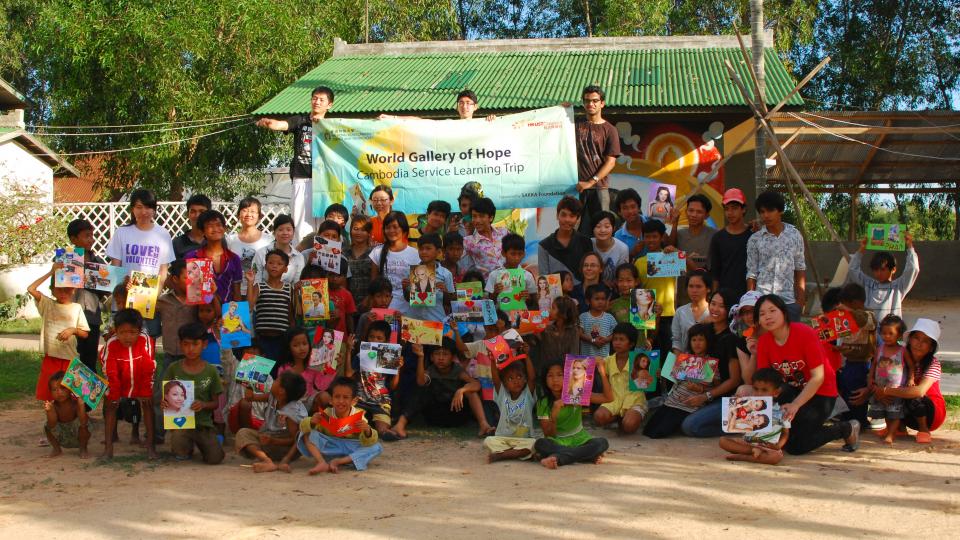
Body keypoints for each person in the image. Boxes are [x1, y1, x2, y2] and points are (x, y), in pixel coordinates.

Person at [751, 294, 859, 454]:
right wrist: (749, 401)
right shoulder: (765, 342)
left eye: (772, 311)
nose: (768, 316)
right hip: (790, 391)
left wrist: (795, 405)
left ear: (784, 313)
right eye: (762, 314)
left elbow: (818, 377)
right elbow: (764, 383)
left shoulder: (805, 333)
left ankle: (845, 428)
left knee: (796, 446)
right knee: (783, 437)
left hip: (821, 392)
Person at [256, 85, 334, 244]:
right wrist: (271, 123)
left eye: (321, 100)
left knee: (325, 224)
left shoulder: (334, 125)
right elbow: (282, 125)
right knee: (301, 222)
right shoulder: (300, 120)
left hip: (326, 181)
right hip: (302, 178)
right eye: (314, 98)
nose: (317, 102)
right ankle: (301, 260)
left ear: (329, 105)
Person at [393, 340, 494, 437]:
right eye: (437, 354)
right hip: (435, 415)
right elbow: (420, 382)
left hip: (456, 414)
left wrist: (462, 390)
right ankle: (400, 425)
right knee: (421, 389)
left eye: (445, 354)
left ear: (452, 357)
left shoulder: (458, 371)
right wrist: (420, 357)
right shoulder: (431, 370)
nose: (441, 358)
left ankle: (484, 425)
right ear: (432, 357)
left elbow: (476, 384)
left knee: (471, 392)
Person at [679, 289, 745, 437]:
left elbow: (734, 380)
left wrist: (706, 396)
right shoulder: (705, 331)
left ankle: (739, 424)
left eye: (721, 306)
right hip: (702, 389)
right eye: (713, 304)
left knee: (689, 426)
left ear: (729, 310)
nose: (715, 309)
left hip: (724, 396)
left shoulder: (730, 338)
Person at [872, 318, 946, 444]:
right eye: (916, 338)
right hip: (908, 412)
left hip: (932, 413)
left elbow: (919, 391)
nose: (919, 343)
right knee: (895, 388)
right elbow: (880, 373)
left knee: (912, 393)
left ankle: (924, 430)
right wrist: (875, 390)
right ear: (910, 339)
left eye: (925, 341)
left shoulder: (933, 364)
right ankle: (898, 428)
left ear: (931, 347)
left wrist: (885, 391)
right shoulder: (899, 355)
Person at [162, 322, 226, 464]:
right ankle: (186, 446)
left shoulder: (211, 371)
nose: (190, 349)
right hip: (181, 424)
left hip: (203, 424)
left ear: (204, 344)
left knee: (215, 459)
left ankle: (212, 441)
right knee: (181, 452)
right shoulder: (174, 369)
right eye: (186, 344)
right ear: (180, 344)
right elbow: (165, 396)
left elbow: (216, 403)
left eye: (195, 344)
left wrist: (203, 405)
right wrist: (165, 403)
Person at [27, 263, 91, 403]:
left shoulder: (76, 308)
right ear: (52, 290)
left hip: (70, 358)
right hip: (52, 357)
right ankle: (53, 422)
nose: (63, 293)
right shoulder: (47, 305)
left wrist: (73, 330)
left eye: (67, 289)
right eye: (59, 289)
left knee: (76, 396)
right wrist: (51, 272)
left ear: (73, 289)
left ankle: (80, 423)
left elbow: (85, 333)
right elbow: (31, 289)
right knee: (50, 395)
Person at [643, 324, 717, 438]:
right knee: (648, 429)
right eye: (694, 340)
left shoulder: (710, 363)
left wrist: (700, 389)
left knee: (658, 433)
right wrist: (662, 374)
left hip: (688, 405)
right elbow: (675, 377)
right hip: (671, 401)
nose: (697, 343)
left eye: (701, 339)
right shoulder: (685, 357)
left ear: (708, 341)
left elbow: (715, 387)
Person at [295, 376, 383, 474]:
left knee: (376, 447)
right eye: (337, 397)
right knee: (305, 433)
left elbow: (367, 441)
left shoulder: (359, 416)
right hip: (330, 448)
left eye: (345, 397)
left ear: (354, 401)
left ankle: (339, 461)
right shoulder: (327, 413)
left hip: (350, 449)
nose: (341, 401)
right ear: (331, 400)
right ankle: (321, 462)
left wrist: (367, 430)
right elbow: (306, 427)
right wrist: (312, 421)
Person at [535, 360, 612, 469]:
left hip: (581, 439)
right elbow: (549, 435)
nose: (555, 380)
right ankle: (586, 455)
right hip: (558, 440)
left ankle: (558, 457)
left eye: (559, 375)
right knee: (541, 444)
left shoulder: (576, 393)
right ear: (545, 380)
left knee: (602, 443)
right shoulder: (543, 403)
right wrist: (554, 414)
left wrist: (602, 372)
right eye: (550, 376)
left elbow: (608, 398)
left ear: (568, 376)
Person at [153, 259, 198, 443]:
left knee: (191, 396)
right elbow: (139, 305)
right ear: (174, 278)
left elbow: (214, 313)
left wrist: (212, 293)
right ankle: (157, 434)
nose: (191, 280)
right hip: (171, 356)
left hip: (193, 358)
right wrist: (132, 288)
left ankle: (189, 436)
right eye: (187, 276)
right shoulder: (163, 301)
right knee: (160, 394)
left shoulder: (198, 300)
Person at [101, 308, 156, 459]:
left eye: (132, 332)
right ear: (115, 331)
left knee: (148, 406)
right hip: (117, 379)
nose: (127, 337)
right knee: (110, 407)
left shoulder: (145, 340)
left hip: (141, 379)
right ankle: (108, 448)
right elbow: (108, 368)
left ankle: (151, 447)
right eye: (122, 332)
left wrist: (146, 389)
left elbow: (149, 365)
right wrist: (114, 393)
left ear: (139, 331)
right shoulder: (111, 344)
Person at [746, 191, 806, 322]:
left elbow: (800, 268)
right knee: (764, 341)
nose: (766, 215)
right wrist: (750, 302)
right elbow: (751, 273)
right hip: (762, 300)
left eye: (770, 210)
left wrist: (800, 301)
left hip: (788, 302)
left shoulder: (795, 235)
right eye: (762, 212)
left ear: (780, 211)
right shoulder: (755, 239)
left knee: (790, 341)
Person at [574, 85, 621, 234]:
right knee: (574, 230)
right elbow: (549, 126)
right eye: (587, 101)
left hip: (600, 188)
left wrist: (591, 182)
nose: (591, 104)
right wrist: (561, 110)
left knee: (602, 230)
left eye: (595, 100)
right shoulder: (574, 125)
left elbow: (611, 162)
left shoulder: (610, 130)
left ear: (602, 103)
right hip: (576, 187)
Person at [718, 368, 791, 465]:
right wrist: (735, 405)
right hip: (747, 443)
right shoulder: (749, 405)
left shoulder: (781, 411)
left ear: (776, 392)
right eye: (756, 389)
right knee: (723, 441)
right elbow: (735, 420)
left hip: (767, 447)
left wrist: (778, 446)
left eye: (764, 390)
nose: (759, 394)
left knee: (775, 457)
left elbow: (785, 433)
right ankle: (752, 451)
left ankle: (742, 457)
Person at [344, 320, 401, 440]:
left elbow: (393, 385)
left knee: (383, 430)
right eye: (371, 336)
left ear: (386, 341)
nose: (374, 340)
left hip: (381, 401)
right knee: (355, 425)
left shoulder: (388, 357)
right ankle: (364, 429)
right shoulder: (360, 355)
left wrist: (398, 369)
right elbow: (349, 374)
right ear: (367, 337)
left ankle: (384, 432)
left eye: (379, 338)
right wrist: (349, 350)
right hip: (360, 399)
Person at [65, 219, 108, 374]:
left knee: (89, 360)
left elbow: (107, 289)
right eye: (86, 236)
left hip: (91, 319)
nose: (91, 239)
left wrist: (105, 281)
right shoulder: (65, 260)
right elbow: (56, 288)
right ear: (73, 239)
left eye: (92, 235)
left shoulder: (98, 262)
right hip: (70, 319)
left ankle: (87, 397)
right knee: (72, 359)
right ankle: (69, 396)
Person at [846, 232, 919, 321]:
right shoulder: (868, 284)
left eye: (883, 270)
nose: (879, 273)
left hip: (890, 333)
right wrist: (862, 249)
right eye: (876, 270)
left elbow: (913, 269)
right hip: (870, 333)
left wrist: (910, 247)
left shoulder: (898, 287)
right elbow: (852, 270)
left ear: (893, 269)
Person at [594, 323, 648, 434]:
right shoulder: (608, 360)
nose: (617, 343)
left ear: (631, 343)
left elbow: (648, 380)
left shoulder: (641, 360)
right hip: (614, 399)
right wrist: (594, 362)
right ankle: (618, 417)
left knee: (629, 426)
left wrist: (655, 373)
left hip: (635, 400)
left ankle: (637, 415)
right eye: (615, 339)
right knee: (599, 417)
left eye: (622, 339)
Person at [634, 219, 677, 360]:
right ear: (643, 238)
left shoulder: (671, 258)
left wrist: (676, 252)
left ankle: (669, 383)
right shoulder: (639, 262)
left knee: (668, 355)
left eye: (654, 236)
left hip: (668, 314)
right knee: (647, 356)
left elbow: (691, 270)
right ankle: (653, 383)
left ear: (662, 237)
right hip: (646, 313)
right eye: (647, 236)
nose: (651, 240)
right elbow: (636, 289)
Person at [484, 352, 537, 462]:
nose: (516, 381)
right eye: (510, 379)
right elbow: (496, 380)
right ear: (504, 384)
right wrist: (493, 361)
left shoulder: (527, 395)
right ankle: (516, 453)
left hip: (524, 439)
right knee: (488, 441)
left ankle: (502, 455)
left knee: (534, 443)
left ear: (525, 379)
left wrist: (527, 356)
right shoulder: (502, 396)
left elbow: (532, 378)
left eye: (519, 376)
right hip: (503, 438)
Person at [868, 315, 911, 445]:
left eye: (890, 333)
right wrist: (870, 378)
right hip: (879, 388)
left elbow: (911, 366)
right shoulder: (879, 349)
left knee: (895, 411)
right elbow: (874, 365)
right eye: (884, 333)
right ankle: (888, 430)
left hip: (895, 389)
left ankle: (891, 434)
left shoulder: (902, 350)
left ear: (899, 335)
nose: (886, 336)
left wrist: (911, 378)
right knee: (886, 412)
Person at [185, 209, 243, 304]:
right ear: (202, 231)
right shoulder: (194, 257)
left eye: (219, 225)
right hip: (201, 313)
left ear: (224, 228)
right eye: (210, 226)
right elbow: (193, 294)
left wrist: (238, 316)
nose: (215, 229)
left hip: (228, 314)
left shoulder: (233, 258)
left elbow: (237, 293)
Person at [369, 211, 420, 314]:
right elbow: (373, 283)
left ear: (404, 230)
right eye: (388, 227)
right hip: (386, 311)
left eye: (395, 227)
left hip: (410, 311)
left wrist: (409, 287)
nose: (391, 230)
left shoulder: (416, 255)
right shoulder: (377, 252)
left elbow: (422, 295)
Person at [669, 193, 716, 307]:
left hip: (706, 297)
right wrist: (674, 223)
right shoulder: (679, 234)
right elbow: (668, 249)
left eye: (699, 212)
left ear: (707, 215)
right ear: (686, 212)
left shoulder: (715, 235)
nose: (694, 215)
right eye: (691, 210)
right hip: (683, 295)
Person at [247, 249, 293, 362]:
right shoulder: (259, 286)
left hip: (282, 339)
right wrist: (250, 282)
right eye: (271, 263)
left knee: (278, 370)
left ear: (286, 269)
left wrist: (292, 336)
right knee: (260, 372)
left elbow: (291, 315)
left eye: (279, 264)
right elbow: (249, 306)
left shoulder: (289, 288)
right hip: (262, 339)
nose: (274, 266)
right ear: (265, 266)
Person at [538, 196, 594, 284]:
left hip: (582, 295)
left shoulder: (586, 242)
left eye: (572, 216)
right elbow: (544, 280)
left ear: (578, 219)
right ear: (557, 216)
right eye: (563, 215)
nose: (567, 219)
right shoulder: (544, 245)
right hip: (555, 296)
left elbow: (591, 274)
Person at [226, 197, 274, 297]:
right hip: (236, 293)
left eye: (253, 211)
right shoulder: (230, 240)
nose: (248, 214)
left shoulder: (269, 240)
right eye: (244, 211)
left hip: (261, 292)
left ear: (259, 215)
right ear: (239, 214)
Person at [709, 188, 752, 299]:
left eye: (734, 208)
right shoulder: (718, 238)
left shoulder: (753, 236)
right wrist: (714, 297)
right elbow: (715, 272)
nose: (730, 213)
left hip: (748, 295)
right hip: (724, 296)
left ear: (743, 209)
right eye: (727, 209)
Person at [405, 233, 453, 322]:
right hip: (415, 321)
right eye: (421, 248)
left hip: (435, 320)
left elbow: (450, 303)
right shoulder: (412, 271)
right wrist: (405, 288)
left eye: (428, 248)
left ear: (438, 252)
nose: (424, 252)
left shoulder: (445, 274)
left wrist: (445, 292)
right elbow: (408, 299)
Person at [485, 233, 537, 311]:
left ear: (524, 254)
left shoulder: (527, 275)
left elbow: (534, 303)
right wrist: (495, 293)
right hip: (502, 318)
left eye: (520, 254)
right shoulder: (494, 275)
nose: (516, 258)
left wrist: (528, 298)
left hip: (522, 318)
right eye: (513, 254)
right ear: (503, 253)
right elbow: (488, 303)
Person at [43, 371, 90, 458]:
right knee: (47, 426)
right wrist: (50, 411)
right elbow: (51, 423)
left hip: (78, 435)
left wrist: (81, 405)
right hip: (62, 436)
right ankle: (56, 449)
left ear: (70, 388)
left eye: (62, 388)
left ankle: (83, 448)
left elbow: (83, 421)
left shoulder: (76, 404)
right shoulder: (53, 405)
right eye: (54, 389)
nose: (59, 392)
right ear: (50, 392)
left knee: (84, 425)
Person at [462, 197, 508, 280]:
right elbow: (453, 257)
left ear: (490, 217)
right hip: (487, 289)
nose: (477, 220)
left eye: (481, 216)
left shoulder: (504, 233)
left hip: (509, 285)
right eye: (474, 216)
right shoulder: (468, 241)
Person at [531, 296, 580, 373]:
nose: (550, 311)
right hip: (548, 371)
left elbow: (574, 353)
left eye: (553, 308)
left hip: (566, 371)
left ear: (562, 313)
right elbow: (539, 348)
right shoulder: (546, 329)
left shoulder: (574, 331)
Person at [252, 214, 305, 287]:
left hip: (288, 297)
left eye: (288, 230)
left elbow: (296, 284)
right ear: (274, 233)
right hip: (262, 296)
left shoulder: (299, 257)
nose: (285, 233)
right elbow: (256, 280)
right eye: (280, 229)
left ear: (293, 233)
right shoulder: (261, 253)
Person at [671, 270, 713, 355]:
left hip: (709, 363)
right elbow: (676, 341)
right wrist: (681, 363)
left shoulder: (713, 312)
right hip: (685, 364)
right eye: (691, 286)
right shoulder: (680, 312)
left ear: (708, 289)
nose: (694, 290)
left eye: (698, 286)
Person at [592, 211, 629, 290]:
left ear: (614, 228)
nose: (602, 230)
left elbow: (622, 274)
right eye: (598, 227)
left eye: (607, 226)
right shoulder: (588, 244)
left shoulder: (622, 248)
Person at [345, 214, 375, 308]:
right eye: (356, 228)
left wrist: (369, 297)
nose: (358, 233)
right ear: (350, 230)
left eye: (363, 230)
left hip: (368, 303)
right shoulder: (344, 252)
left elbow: (375, 279)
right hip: (348, 303)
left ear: (369, 233)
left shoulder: (374, 253)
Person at [578, 284, 617, 357]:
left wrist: (606, 339)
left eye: (603, 299)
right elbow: (579, 333)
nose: (600, 302)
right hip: (586, 358)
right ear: (587, 301)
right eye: (597, 299)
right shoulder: (583, 317)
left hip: (604, 358)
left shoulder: (609, 318)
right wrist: (592, 340)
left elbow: (615, 333)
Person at [172, 194, 212, 259]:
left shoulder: (218, 240)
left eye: (202, 211)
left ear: (209, 214)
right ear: (188, 214)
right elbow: (175, 268)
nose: (197, 215)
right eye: (193, 211)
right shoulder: (177, 243)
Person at [613, 188, 646, 258]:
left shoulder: (652, 222)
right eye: (625, 208)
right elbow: (620, 263)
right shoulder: (618, 236)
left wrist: (674, 224)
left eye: (633, 206)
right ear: (619, 212)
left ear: (639, 207)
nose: (630, 211)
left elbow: (668, 244)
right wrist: (633, 253)